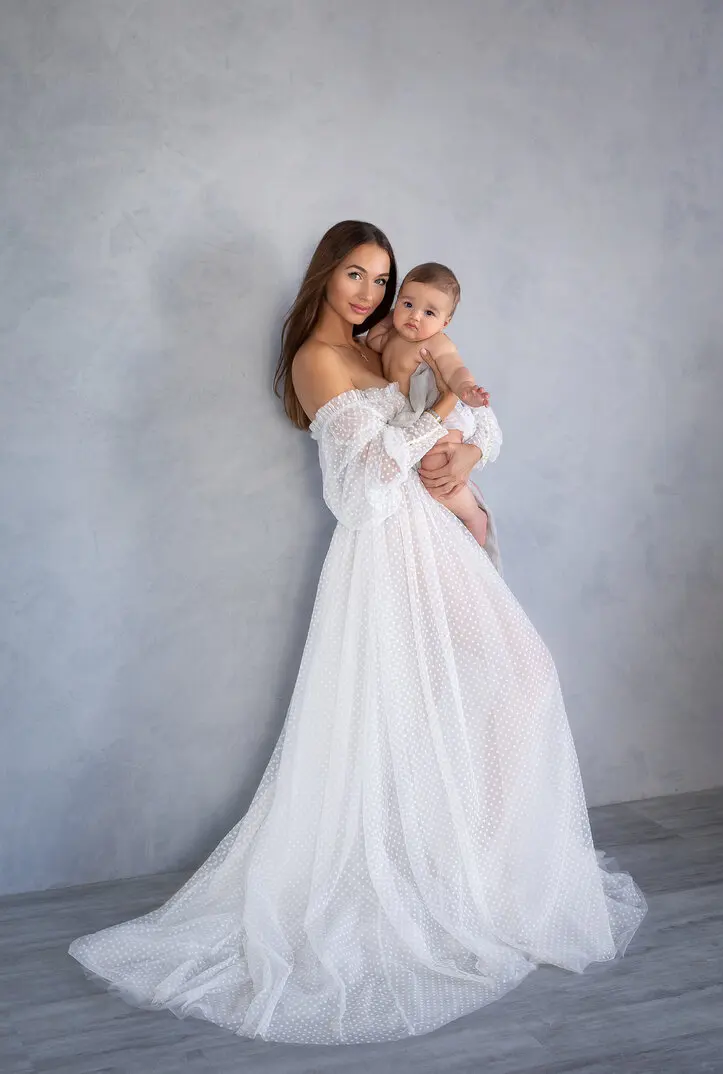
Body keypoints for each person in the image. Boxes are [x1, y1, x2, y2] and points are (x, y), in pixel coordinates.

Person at [68, 220, 647, 1047]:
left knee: (512, 683)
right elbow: (363, 489)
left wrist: (468, 455)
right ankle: (445, 882)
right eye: (356, 275)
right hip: (386, 548)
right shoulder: (318, 360)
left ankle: (475, 870)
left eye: (382, 279)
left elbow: (481, 430)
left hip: (437, 538)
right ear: (325, 276)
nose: (371, 293)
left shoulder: (386, 345)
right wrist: (439, 411)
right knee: (429, 708)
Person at [366, 260, 491, 545]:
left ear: (445, 323)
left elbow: (454, 368)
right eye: (408, 304)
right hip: (418, 415)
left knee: (435, 471)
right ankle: (451, 520)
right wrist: (390, 316)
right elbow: (372, 342)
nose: (415, 317)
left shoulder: (436, 342)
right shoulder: (391, 336)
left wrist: (467, 389)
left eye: (429, 312)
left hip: (444, 416)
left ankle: (473, 515)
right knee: (423, 477)